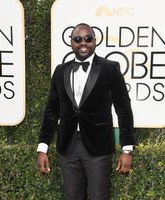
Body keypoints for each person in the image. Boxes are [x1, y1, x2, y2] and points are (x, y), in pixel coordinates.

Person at [37, 23, 136, 200]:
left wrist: (127, 149)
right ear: (71, 42)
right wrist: (42, 147)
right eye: (78, 39)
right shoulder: (60, 71)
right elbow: (52, 111)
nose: (84, 43)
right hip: (68, 147)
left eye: (88, 38)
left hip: (98, 147)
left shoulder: (110, 68)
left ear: (95, 41)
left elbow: (123, 109)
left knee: (100, 196)